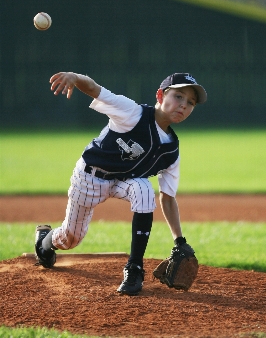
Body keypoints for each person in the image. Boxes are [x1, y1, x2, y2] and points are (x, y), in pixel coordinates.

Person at [35, 71, 207, 296]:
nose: (183, 105)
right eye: (178, 96)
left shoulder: (171, 150)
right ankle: (44, 242)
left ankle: (134, 268)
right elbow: (95, 89)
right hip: (90, 177)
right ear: (160, 95)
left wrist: (179, 240)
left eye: (191, 102)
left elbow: (167, 196)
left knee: (145, 189)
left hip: (122, 182)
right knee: (70, 238)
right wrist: (74, 78)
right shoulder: (132, 112)